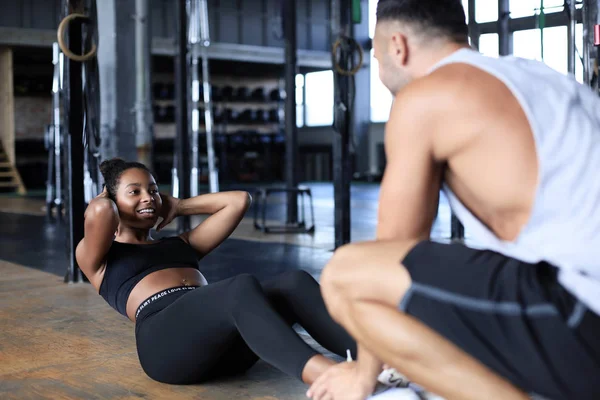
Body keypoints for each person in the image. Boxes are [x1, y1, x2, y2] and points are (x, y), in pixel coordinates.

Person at [307, 1, 600, 400]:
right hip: (576, 308)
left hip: (586, 324)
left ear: (397, 46)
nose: (379, 72)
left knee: (345, 274)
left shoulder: (425, 98)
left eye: (376, 58)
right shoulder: (540, 77)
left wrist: (362, 373)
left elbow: (388, 251)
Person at [75, 157, 358, 386]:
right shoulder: (99, 259)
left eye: (152, 190)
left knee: (294, 281)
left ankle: (378, 360)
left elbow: (238, 201)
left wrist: (181, 205)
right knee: (239, 287)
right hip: (166, 348)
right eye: (134, 192)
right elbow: (100, 212)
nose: (148, 198)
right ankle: (330, 378)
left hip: (223, 349)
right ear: (112, 199)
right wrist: (105, 198)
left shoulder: (181, 244)